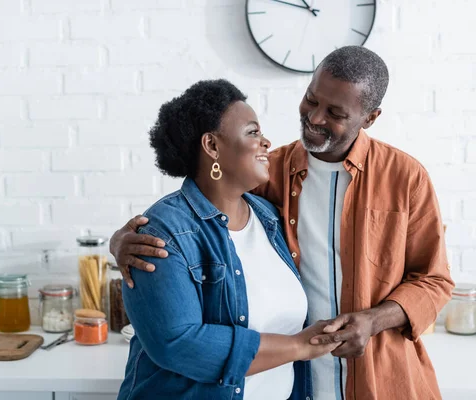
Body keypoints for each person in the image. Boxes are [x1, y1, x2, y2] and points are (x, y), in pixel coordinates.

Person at [110, 46, 454, 400]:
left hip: (378, 375)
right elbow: (201, 201)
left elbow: (434, 279)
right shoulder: (267, 173)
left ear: (369, 118)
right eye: (311, 100)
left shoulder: (405, 177)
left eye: (335, 112)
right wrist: (123, 240)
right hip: (297, 377)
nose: (316, 118)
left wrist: (373, 321)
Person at [116, 79, 340, 400]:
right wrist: (300, 345)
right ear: (212, 146)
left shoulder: (268, 216)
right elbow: (179, 345)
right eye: (253, 132)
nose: (266, 142)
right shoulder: (162, 232)